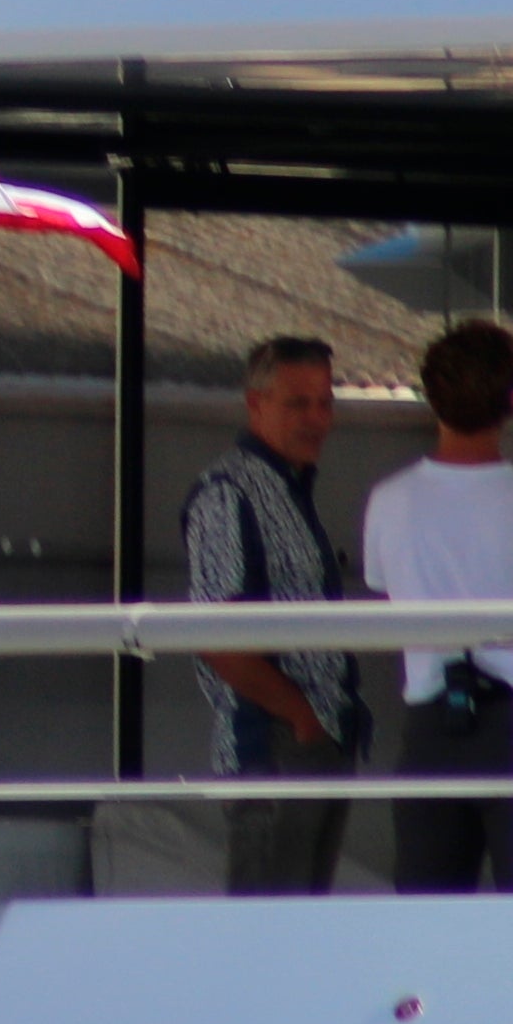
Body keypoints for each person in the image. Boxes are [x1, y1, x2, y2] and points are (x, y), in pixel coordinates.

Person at [355, 319, 513, 892]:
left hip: (431, 724)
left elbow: (383, 591)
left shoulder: (388, 503)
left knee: (429, 916)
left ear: (431, 397)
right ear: (511, 402)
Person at [182, 332, 359, 896]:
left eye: (325, 402)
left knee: (302, 931)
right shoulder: (227, 493)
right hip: (274, 745)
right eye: (298, 403)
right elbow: (215, 635)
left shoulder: (289, 488)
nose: (317, 418)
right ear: (255, 403)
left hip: (314, 739)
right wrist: (300, 716)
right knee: (268, 935)